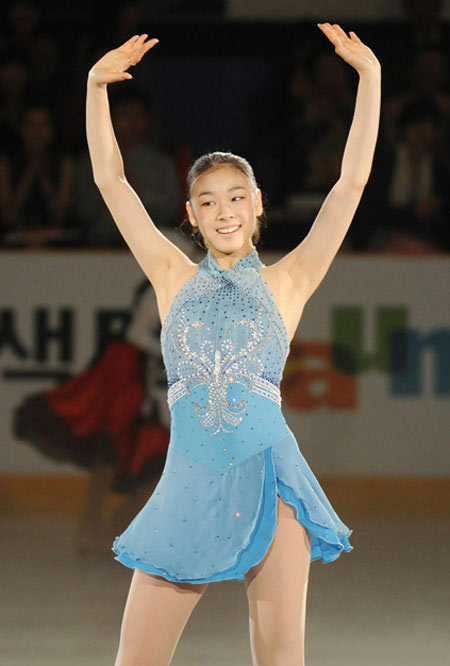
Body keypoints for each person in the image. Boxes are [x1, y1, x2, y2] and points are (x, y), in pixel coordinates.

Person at [86, 24, 381, 666]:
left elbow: (350, 184)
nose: (224, 212)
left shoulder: (289, 281)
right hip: (188, 484)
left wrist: (371, 77)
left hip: (273, 481)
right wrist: (95, 88)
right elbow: (112, 182)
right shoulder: (170, 276)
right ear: (191, 216)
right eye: (208, 202)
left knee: (280, 659)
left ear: (257, 204)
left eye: (237, 197)